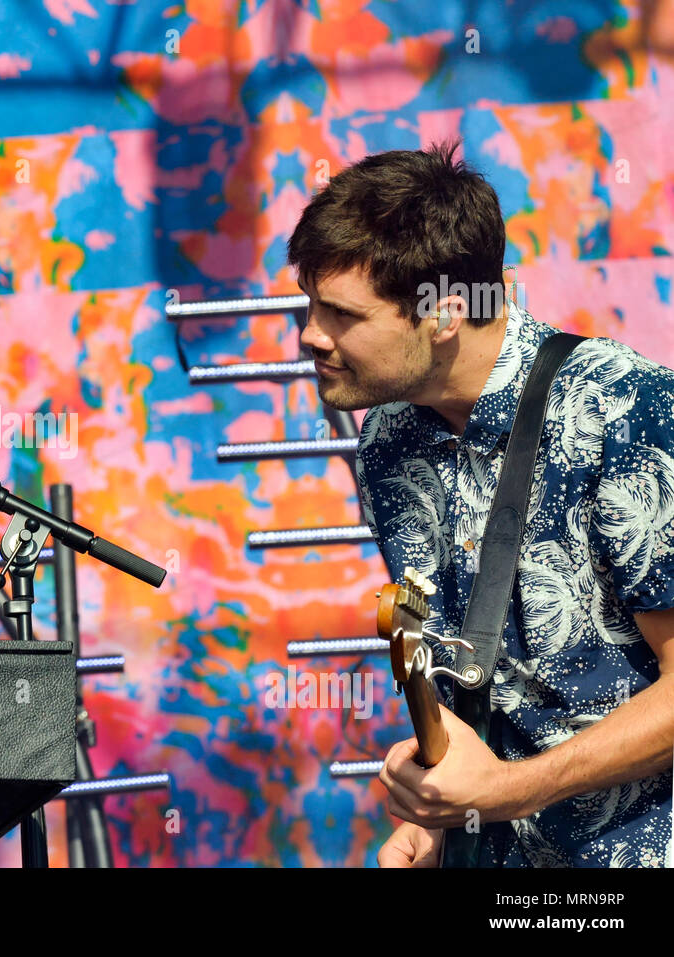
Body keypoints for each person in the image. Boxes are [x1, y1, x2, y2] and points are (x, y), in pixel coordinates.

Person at [286, 141, 673, 867]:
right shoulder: (388, 439)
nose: (311, 334)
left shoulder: (623, 406)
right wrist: (440, 823)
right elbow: (483, 675)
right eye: (310, 305)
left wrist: (509, 791)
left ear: (443, 313)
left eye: (340, 313)